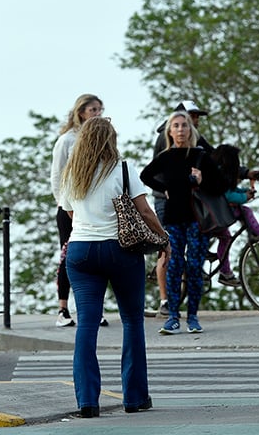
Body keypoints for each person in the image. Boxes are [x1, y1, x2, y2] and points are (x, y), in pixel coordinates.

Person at [61, 116, 167, 418]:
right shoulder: (122, 168)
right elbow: (145, 211)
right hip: (120, 250)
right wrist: (164, 239)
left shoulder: (72, 173)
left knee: (87, 324)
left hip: (80, 252)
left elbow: (70, 213)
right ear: (111, 139)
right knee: (132, 320)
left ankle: (87, 401)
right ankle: (134, 398)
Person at [141, 111, 227, 335]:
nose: (180, 129)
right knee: (174, 265)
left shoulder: (201, 156)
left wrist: (202, 180)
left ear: (191, 130)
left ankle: (193, 316)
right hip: (173, 218)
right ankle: (172, 317)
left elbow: (221, 185)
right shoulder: (165, 157)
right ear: (170, 131)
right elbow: (145, 176)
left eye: (184, 125)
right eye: (176, 126)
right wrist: (164, 189)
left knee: (195, 267)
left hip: (197, 220)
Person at [147, 100, 212, 316]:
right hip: (166, 201)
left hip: (191, 202)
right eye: (193, 115)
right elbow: (155, 169)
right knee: (169, 251)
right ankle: (165, 301)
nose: (196, 120)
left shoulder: (196, 140)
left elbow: (215, 160)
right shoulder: (165, 138)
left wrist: (243, 173)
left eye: (195, 117)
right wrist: (166, 187)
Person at [49, 94, 107, 328]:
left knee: (97, 257)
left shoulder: (102, 141)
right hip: (70, 207)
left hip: (94, 208)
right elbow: (57, 174)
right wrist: (64, 204)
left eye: (100, 110)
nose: (97, 114)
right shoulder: (67, 140)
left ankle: (93, 309)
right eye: (93, 109)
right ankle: (63, 308)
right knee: (69, 255)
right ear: (81, 111)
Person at [207, 144, 259, 286]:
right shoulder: (219, 173)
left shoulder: (222, 173)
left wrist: (245, 192)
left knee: (226, 238)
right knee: (245, 212)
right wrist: (244, 197)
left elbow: (232, 190)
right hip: (215, 214)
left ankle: (225, 273)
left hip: (218, 214)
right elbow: (227, 195)